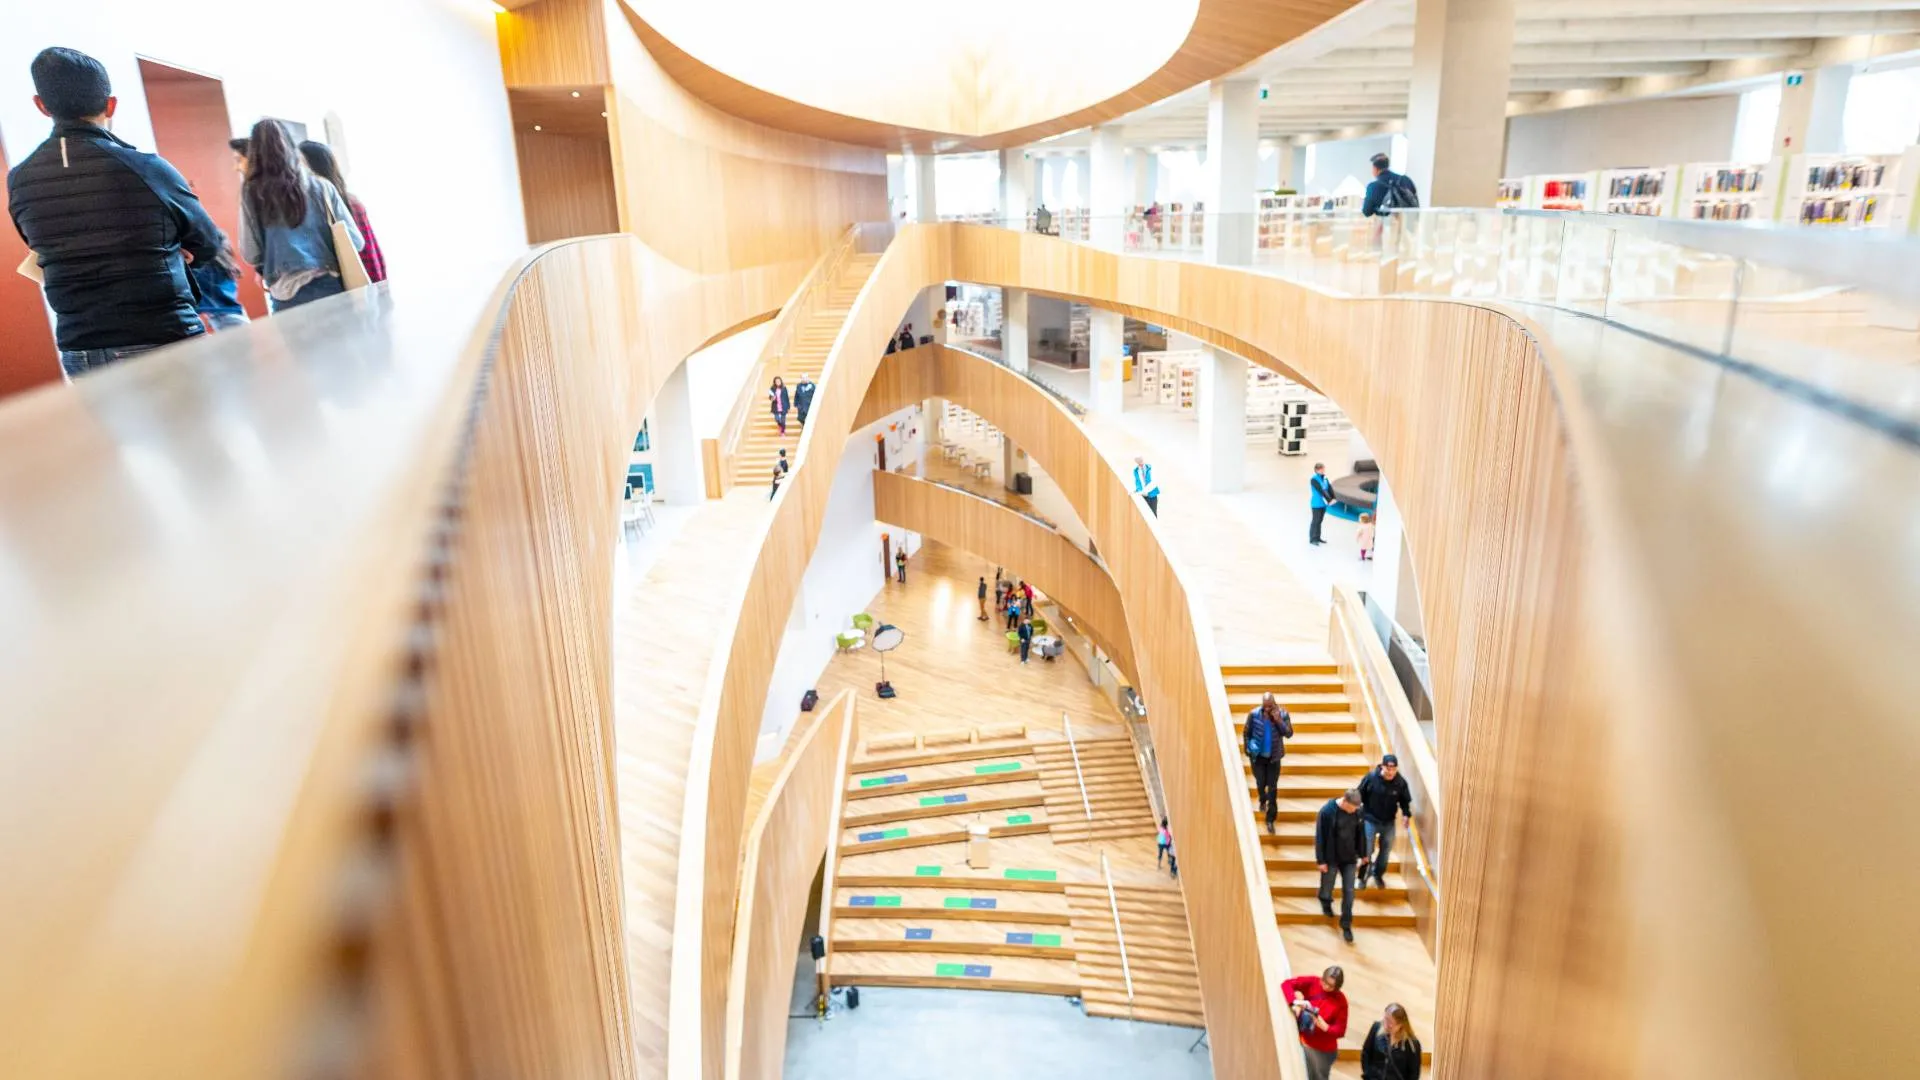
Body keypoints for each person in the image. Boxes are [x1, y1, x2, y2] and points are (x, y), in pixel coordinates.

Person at [9, 47, 222, 377]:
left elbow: (39, 248)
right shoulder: (147, 168)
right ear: (110, 105)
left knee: (109, 433)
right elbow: (208, 243)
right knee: (193, 429)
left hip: (81, 349)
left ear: (41, 105)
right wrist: (176, 250)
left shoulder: (20, 180)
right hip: (163, 337)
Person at [239, 118, 363, 312]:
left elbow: (250, 252)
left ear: (254, 152)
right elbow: (356, 242)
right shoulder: (322, 187)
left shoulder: (251, 193)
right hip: (330, 287)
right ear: (291, 146)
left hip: (286, 295)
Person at [298, 141, 386, 283]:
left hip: (351, 283)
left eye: (300, 163)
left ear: (313, 167)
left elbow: (365, 248)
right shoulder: (349, 200)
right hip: (367, 279)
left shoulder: (338, 204)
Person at [1316, 788, 1367, 943]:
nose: (1354, 811)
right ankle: (1325, 901)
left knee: (1349, 892)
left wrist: (1363, 854)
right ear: (1345, 801)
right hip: (1331, 857)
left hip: (1349, 858)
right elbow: (1320, 837)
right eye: (1352, 808)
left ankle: (1346, 925)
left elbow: (1361, 833)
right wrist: (1321, 861)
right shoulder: (1327, 812)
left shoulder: (1358, 812)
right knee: (1327, 885)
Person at [1282, 966, 1351, 1080]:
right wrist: (1293, 1003)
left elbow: (1340, 1030)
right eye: (1325, 982)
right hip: (1304, 1040)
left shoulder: (1341, 1001)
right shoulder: (1314, 982)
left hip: (1321, 1050)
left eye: (1331, 986)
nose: (1326, 987)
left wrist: (1326, 1027)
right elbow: (1287, 984)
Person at [1356, 754, 1413, 889]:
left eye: (1393, 769)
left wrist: (1406, 814)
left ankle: (1378, 874)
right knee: (1367, 851)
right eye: (1388, 769)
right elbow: (1359, 794)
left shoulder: (1400, 782)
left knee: (1385, 852)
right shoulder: (1370, 778)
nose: (1391, 772)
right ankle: (1363, 878)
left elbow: (1405, 801)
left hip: (1388, 822)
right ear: (1382, 767)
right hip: (1370, 819)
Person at [1244, 692, 1294, 834]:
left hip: (1274, 758)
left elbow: (1289, 734)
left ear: (1274, 704)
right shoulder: (1253, 715)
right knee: (1261, 782)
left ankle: (1270, 819)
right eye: (1265, 707)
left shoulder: (1283, 715)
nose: (1267, 709)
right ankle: (1261, 799)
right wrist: (1248, 750)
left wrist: (1278, 720)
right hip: (1258, 757)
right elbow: (1246, 733)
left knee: (1272, 788)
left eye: (1270, 706)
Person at [191, 226, 249, 332]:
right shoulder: (225, 265)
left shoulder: (205, 269)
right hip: (235, 314)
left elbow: (196, 296)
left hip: (225, 319)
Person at [1360, 1003, 1422, 1080]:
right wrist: (1367, 1073)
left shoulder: (1412, 1044)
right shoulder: (1376, 1028)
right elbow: (1366, 1053)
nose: (1386, 1025)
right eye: (1385, 1019)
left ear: (1401, 1024)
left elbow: (1414, 1073)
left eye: (1390, 1022)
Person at [1362, 153, 1420, 218]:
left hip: (1387, 225)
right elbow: (1415, 204)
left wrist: (1377, 210)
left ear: (1375, 168)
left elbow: (1366, 212)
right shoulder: (1405, 180)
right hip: (1407, 223)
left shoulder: (1373, 187)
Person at [1309, 463, 1336, 546]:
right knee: (1315, 521)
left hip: (1323, 504)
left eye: (1324, 469)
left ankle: (1318, 537)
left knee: (1320, 521)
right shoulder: (1314, 479)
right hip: (1316, 504)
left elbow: (1329, 488)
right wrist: (1329, 500)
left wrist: (1334, 497)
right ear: (1317, 470)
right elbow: (1321, 490)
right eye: (1322, 469)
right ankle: (1313, 539)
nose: (1323, 470)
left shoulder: (1325, 478)